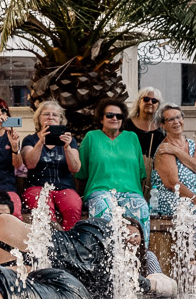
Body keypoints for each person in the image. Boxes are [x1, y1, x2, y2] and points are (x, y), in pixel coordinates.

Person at [79, 98, 151, 230]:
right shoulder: (91, 137)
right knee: (104, 209)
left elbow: (141, 174)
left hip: (130, 192)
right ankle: (103, 244)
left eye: (119, 116)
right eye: (109, 115)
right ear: (101, 119)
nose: (114, 118)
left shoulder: (132, 138)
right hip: (100, 192)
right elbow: (81, 172)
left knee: (141, 208)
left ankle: (140, 245)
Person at [20, 101, 81, 230]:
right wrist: (41, 142)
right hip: (37, 186)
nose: (50, 117)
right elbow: (30, 164)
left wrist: (67, 148)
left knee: (73, 207)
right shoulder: (30, 140)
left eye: (55, 115)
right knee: (45, 210)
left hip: (64, 187)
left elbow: (75, 168)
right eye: (46, 114)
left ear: (60, 120)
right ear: (39, 118)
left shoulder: (70, 141)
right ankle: (50, 239)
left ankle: (69, 239)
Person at [150, 104, 196, 216]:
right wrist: (195, 200)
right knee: (191, 210)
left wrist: (176, 151)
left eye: (178, 117)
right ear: (163, 125)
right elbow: (172, 184)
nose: (176, 122)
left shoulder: (195, 144)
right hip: (179, 197)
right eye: (170, 119)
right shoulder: (164, 149)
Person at [122, 88, 164, 162]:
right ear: (139, 102)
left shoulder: (163, 127)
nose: (150, 102)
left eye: (154, 101)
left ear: (158, 105)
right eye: (146, 99)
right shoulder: (126, 124)